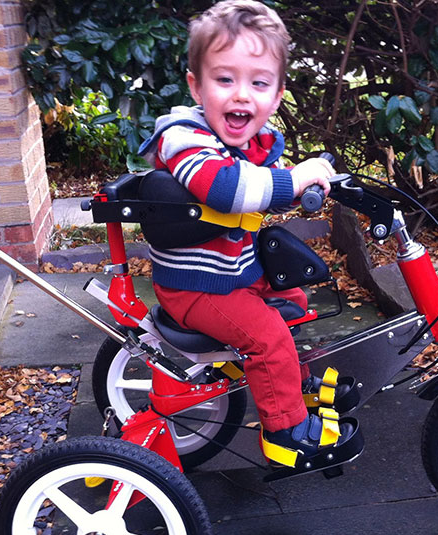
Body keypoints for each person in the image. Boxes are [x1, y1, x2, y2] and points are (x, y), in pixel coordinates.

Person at [138, 0, 355, 467]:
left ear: (276, 96)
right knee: (269, 335)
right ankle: (284, 431)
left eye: (258, 83)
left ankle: (287, 384)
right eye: (224, 79)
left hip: (234, 275)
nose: (241, 95)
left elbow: (267, 190)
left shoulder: (248, 143)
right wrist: (293, 179)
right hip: (197, 287)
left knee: (294, 302)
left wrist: (303, 184)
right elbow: (226, 189)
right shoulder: (186, 139)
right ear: (197, 86)